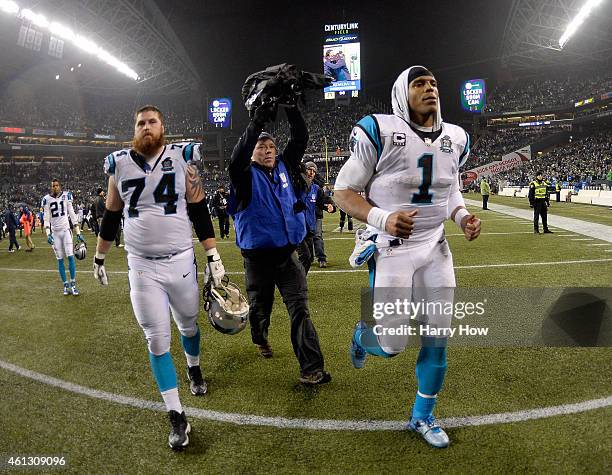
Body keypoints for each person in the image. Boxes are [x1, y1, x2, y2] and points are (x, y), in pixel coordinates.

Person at [333, 65, 481, 449]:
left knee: (437, 337)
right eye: (420, 83)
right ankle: (362, 336)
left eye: (433, 82)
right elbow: (343, 192)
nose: (430, 88)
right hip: (391, 250)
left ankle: (422, 416)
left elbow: (447, 189)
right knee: (391, 345)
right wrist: (383, 217)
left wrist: (462, 216)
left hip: (435, 247)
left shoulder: (455, 137)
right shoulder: (381, 132)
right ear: (403, 93)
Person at [92, 105, 226, 450]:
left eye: (152, 121)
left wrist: (212, 255)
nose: (146, 127)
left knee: (189, 325)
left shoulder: (182, 159)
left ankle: (193, 367)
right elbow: (110, 214)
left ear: (163, 126)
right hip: (141, 266)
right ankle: (177, 415)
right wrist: (99, 256)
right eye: (140, 123)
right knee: (156, 339)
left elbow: (198, 210)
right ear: (134, 129)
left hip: (180, 260)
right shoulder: (118, 164)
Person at [228, 100, 331, 385]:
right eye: (261, 147)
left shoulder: (286, 166)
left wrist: (292, 106)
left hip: (288, 256)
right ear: (252, 153)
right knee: (261, 309)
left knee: (299, 308)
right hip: (258, 259)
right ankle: (260, 337)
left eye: (271, 146)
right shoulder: (244, 176)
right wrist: (257, 123)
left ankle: (311, 369)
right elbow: (236, 159)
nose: (268, 150)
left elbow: (300, 137)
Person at [42, 179, 85, 295]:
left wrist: (78, 232)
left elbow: (72, 214)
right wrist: (48, 233)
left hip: (66, 231)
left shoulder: (66, 196)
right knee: (60, 259)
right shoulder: (46, 199)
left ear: (59, 186)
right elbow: (46, 218)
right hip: (55, 233)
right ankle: (65, 285)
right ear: (51, 187)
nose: (55, 187)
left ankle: (73, 283)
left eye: (57, 185)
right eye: (53, 186)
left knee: (70, 257)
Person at [297, 161, 335, 274]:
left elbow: (322, 201)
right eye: (309, 169)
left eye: (314, 171)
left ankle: (300, 281)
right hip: (296, 228)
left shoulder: (316, 188)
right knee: (304, 256)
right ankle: (297, 282)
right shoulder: (296, 185)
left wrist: (330, 205)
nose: (311, 173)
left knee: (307, 258)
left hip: (309, 228)